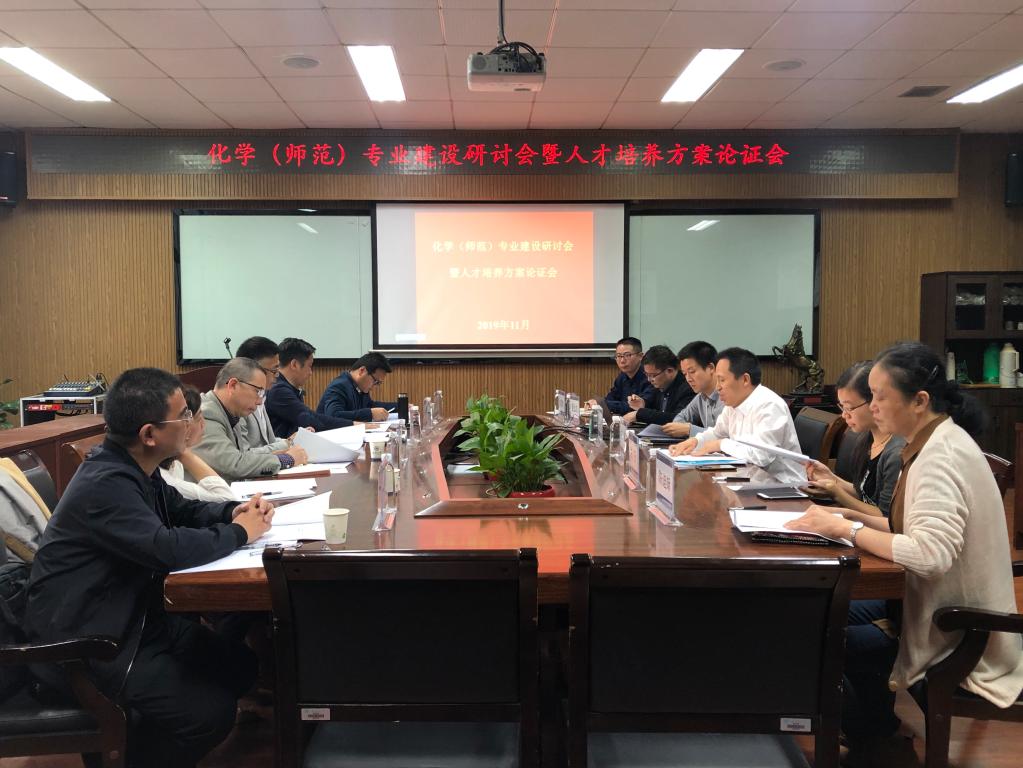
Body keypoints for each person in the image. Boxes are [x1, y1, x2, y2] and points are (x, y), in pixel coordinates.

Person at [24, 367, 274, 768]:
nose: (192, 422)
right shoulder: (106, 483)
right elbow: (165, 548)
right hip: (92, 640)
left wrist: (233, 511)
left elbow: (182, 510)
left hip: (135, 618)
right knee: (209, 716)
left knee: (241, 667)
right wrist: (240, 533)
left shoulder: (135, 467)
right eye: (184, 416)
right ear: (149, 434)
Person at [785, 343, 1023, 759]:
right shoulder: (931, 441)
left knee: (813, 635)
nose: (873, 406)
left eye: (880, 396)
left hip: (958, 627)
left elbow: (928, 554)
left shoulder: (940, 455)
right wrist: (844, 517)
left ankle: (872, 739)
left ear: (919, 401)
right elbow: (904, 528)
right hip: (924, 604)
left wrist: (846, 528)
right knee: (812, 611)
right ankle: (874, 733)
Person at [671, 347, 805, 484]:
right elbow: (717, 433)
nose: (717, 387)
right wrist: (696, 441)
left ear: (745, 380)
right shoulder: (733, 403)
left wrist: (721, 444)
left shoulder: (770, 405)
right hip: (749, 479)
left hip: (784, 487)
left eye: (722, 380)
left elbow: (761, 456)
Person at [803, 361, 904, 519]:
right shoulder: (865, 438)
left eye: (849, 407)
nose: (844, 415)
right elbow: (864, 493)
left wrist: (837, 493)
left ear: (874, 402)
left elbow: (885, 517)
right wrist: (832, 479)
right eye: (842, 407)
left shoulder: (897, 453)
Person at [193, 358, 308, 483]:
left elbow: (244, 456)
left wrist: (280, 453)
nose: (260, 401)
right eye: (257, 391)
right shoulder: (205, 413)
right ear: (233, 385)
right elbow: (234, 464)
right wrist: (287, 459)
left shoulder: (231, 411)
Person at [159, 384, 235, 503]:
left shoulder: (175, 462)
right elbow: (226, 498)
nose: (203, 424)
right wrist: (185, 453)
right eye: (199, 418)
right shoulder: (165, 480)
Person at [266, 337, 355, 437]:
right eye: (309, 366)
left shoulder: (288, 387)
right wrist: (353, 425)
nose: (310, 373)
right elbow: (310, 419)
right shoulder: (278, 390)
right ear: (294, 364)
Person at [234, 336, 285, 454]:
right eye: (274, 371)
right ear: (253, 369)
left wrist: (290, 441)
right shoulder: (238, 402)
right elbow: (244, 455)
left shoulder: (261, 393)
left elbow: (267, 441)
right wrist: (285, 445)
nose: (277, 375)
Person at [662, 340, 724, 439]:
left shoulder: (728, 396)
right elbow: (680, 418)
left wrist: (690, 430)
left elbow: (726, 436)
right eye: (685, 374)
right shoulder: (701, 397)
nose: (688, 379)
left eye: (692, 371)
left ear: (711, 368)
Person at [622, 345, 694, 426]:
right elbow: (655, 412)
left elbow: (677, 419)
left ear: (670, 371)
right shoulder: (659, 385)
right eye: (647, 374)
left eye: (653, 375)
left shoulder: (688, 388)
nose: (649, 379)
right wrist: (643, 404)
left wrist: (640, 414)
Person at [317, 352, 397, 423]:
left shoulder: (360, 386)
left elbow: (370, 405)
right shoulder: (339, 386)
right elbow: (334, 415)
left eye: (378, 383)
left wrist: (400, 406)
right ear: (362, 371)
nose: (374, 387)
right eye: (375, 381)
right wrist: (370, 414)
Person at [587, 336, 655, 416]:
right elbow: (611, 398)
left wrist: (603, 404)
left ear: (640, 356)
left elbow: (636, 407)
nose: (622, 361)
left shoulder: (650, 377)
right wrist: (597, 403)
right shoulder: (622, 377)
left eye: (627, 355)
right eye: (619, 356)